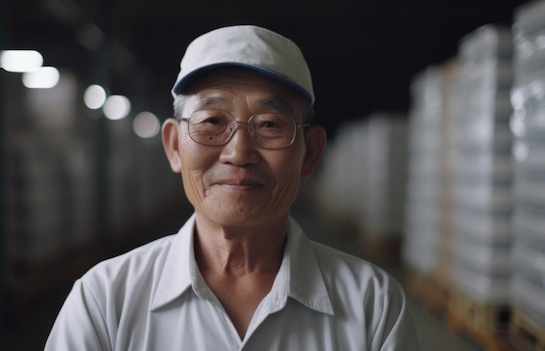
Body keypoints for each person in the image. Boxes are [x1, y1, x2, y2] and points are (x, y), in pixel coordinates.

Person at [45, 25, 420, 350]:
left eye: (271, 124)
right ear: (174, 146)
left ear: (310, 154)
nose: (239, 152)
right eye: (212, 121)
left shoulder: (373, 306)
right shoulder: (105, 300)